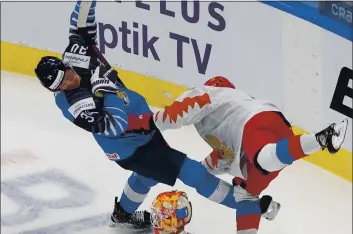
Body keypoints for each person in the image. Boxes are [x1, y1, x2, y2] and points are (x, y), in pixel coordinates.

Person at [33, 1, 262, 232]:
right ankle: (249, 205)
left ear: (65, 64)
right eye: (59, 86)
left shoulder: (75, 54)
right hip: (128, 146)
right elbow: (113, 126)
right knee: (190, 171)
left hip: (141, 127)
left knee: (148, 176)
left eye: (65, 76)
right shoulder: (73, 103)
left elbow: (80, 22)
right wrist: (108, 90)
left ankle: (122, 215)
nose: (67, 84)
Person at [152, 76, 348, 233]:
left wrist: (146, 123)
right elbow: (214, 163)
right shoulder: (226, 122)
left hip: (258, 123)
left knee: (261, 159)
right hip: (279, 143)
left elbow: (180, 112)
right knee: (245, 196)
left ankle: (323, 138)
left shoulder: (213, 94)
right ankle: (317, 141)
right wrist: (190, 173)